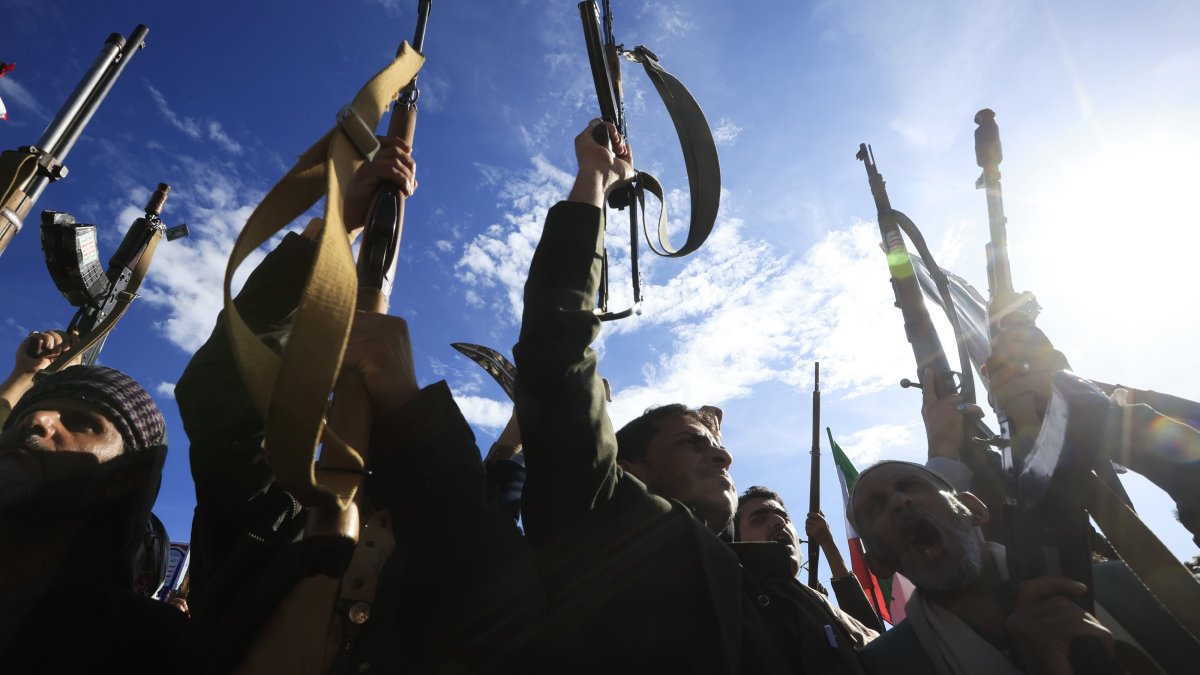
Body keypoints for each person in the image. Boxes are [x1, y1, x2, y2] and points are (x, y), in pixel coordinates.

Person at [512, 120, 874, 674]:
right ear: (631, 468)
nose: (724, 456)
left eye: (716, 447)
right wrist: (595, 180)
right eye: (691, 444)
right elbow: (555, 350)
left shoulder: (770, 596)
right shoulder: (612, 531)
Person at [175, 136, 540, 674]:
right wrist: (336, 230)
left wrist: (409, 406)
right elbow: (220, 395)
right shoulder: (273, 510)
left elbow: (493, 564)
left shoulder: (446, 545)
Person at [850, 459, 1194, 674]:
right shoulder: (886, 664)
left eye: (910, 485)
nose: (899, 501)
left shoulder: (1125, 585)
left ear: (974, 509)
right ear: (878, 563)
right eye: (875, 507)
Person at [0, 364, 185, 673]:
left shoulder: (145, 642)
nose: (37, 419)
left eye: (80, 422)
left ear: (125, 477)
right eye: (20, 416)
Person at [735, 485, 885, 633]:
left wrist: (827, 543)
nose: (779, 521)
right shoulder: (733, 611)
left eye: (784, 517)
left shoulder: (818, 606)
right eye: (759, 519)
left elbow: (872, 639)